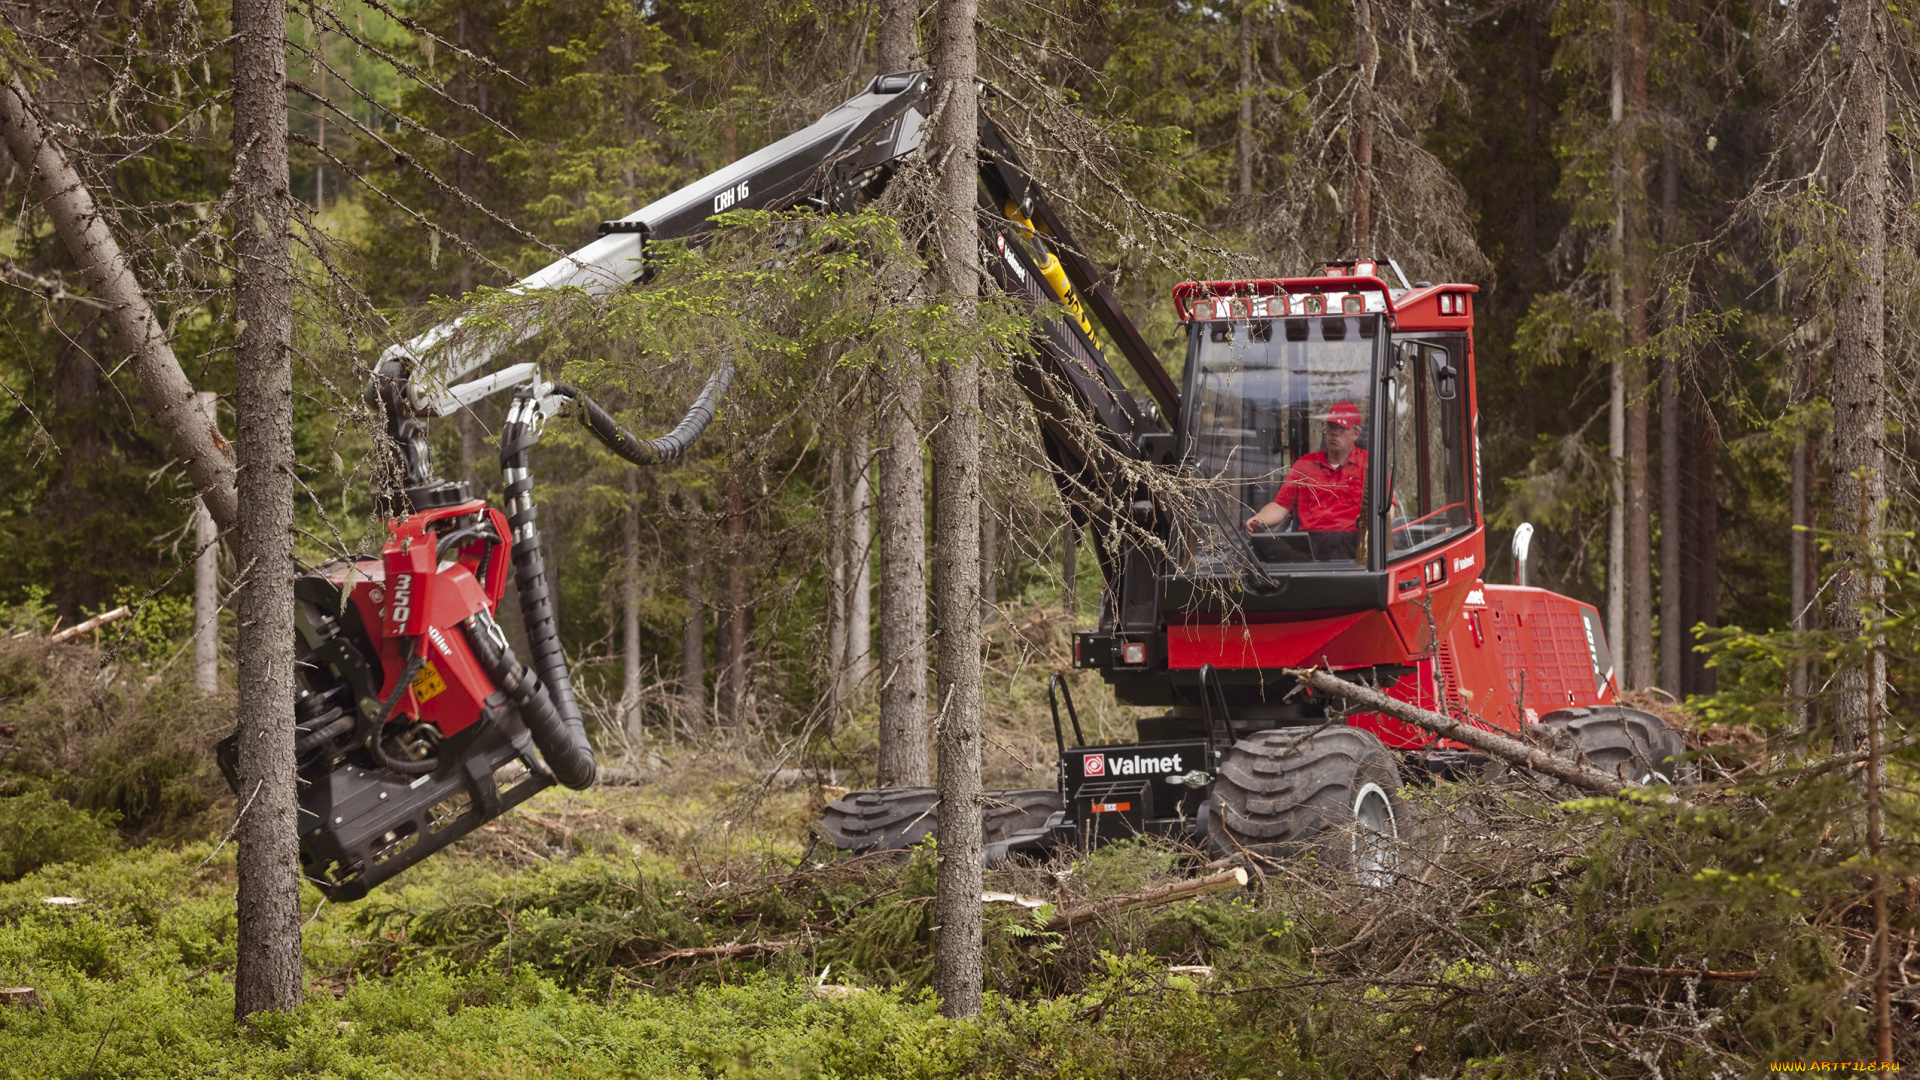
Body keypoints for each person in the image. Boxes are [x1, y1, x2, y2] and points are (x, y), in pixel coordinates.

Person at [1243, 400, 1367, 534]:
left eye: (1342, 429)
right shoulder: (1305, 465)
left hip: (1353, 544)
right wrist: (1258, 520)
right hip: (1309, 545)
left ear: (1356, 434)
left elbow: (1385, 510)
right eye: (1331, 427)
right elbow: (1281, 505)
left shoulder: (1369, 464)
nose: (1335, 433)